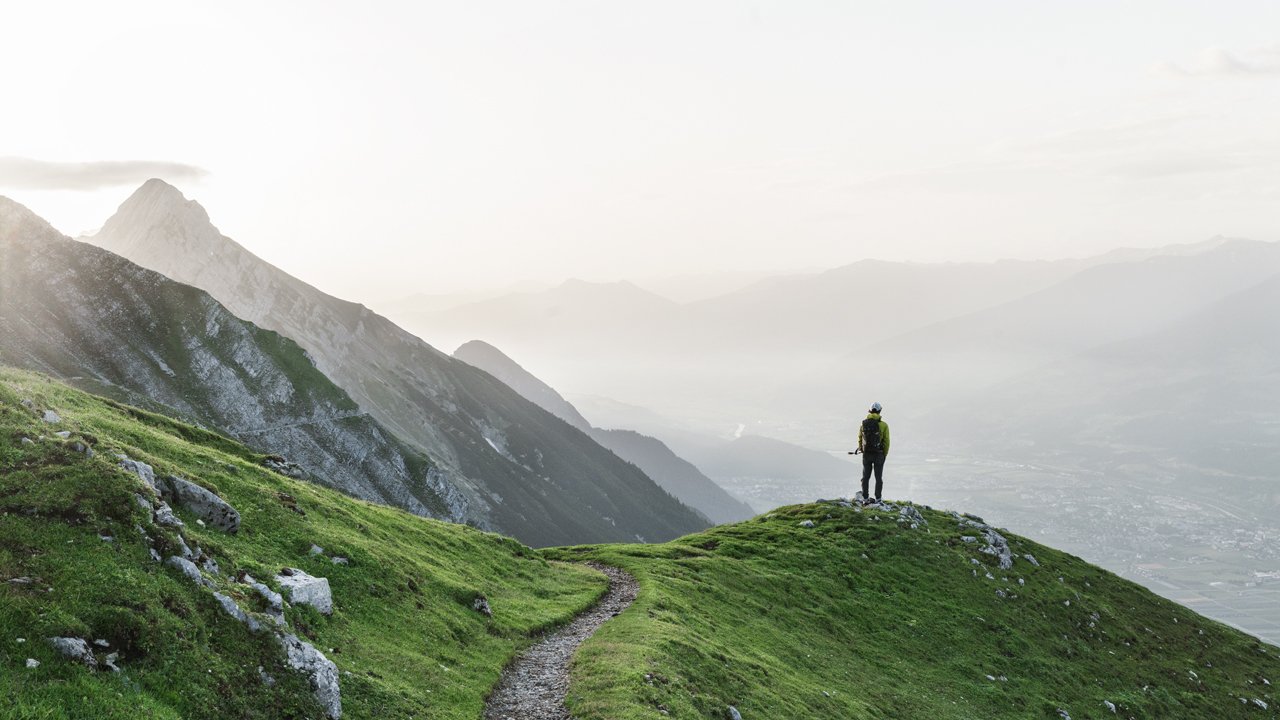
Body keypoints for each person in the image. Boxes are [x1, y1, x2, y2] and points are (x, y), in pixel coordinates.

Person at [857, 402, 890, 504]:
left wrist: (861, 449)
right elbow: (886, 441)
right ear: (880, 411)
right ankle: (878, 499)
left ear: (870, 411)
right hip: (879, 454)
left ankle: (865, 499)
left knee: (865, 477)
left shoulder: (863, 423)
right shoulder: (884, 425)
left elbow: (860, 438)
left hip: (867, 454)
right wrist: (884, 454)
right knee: (878, 477)